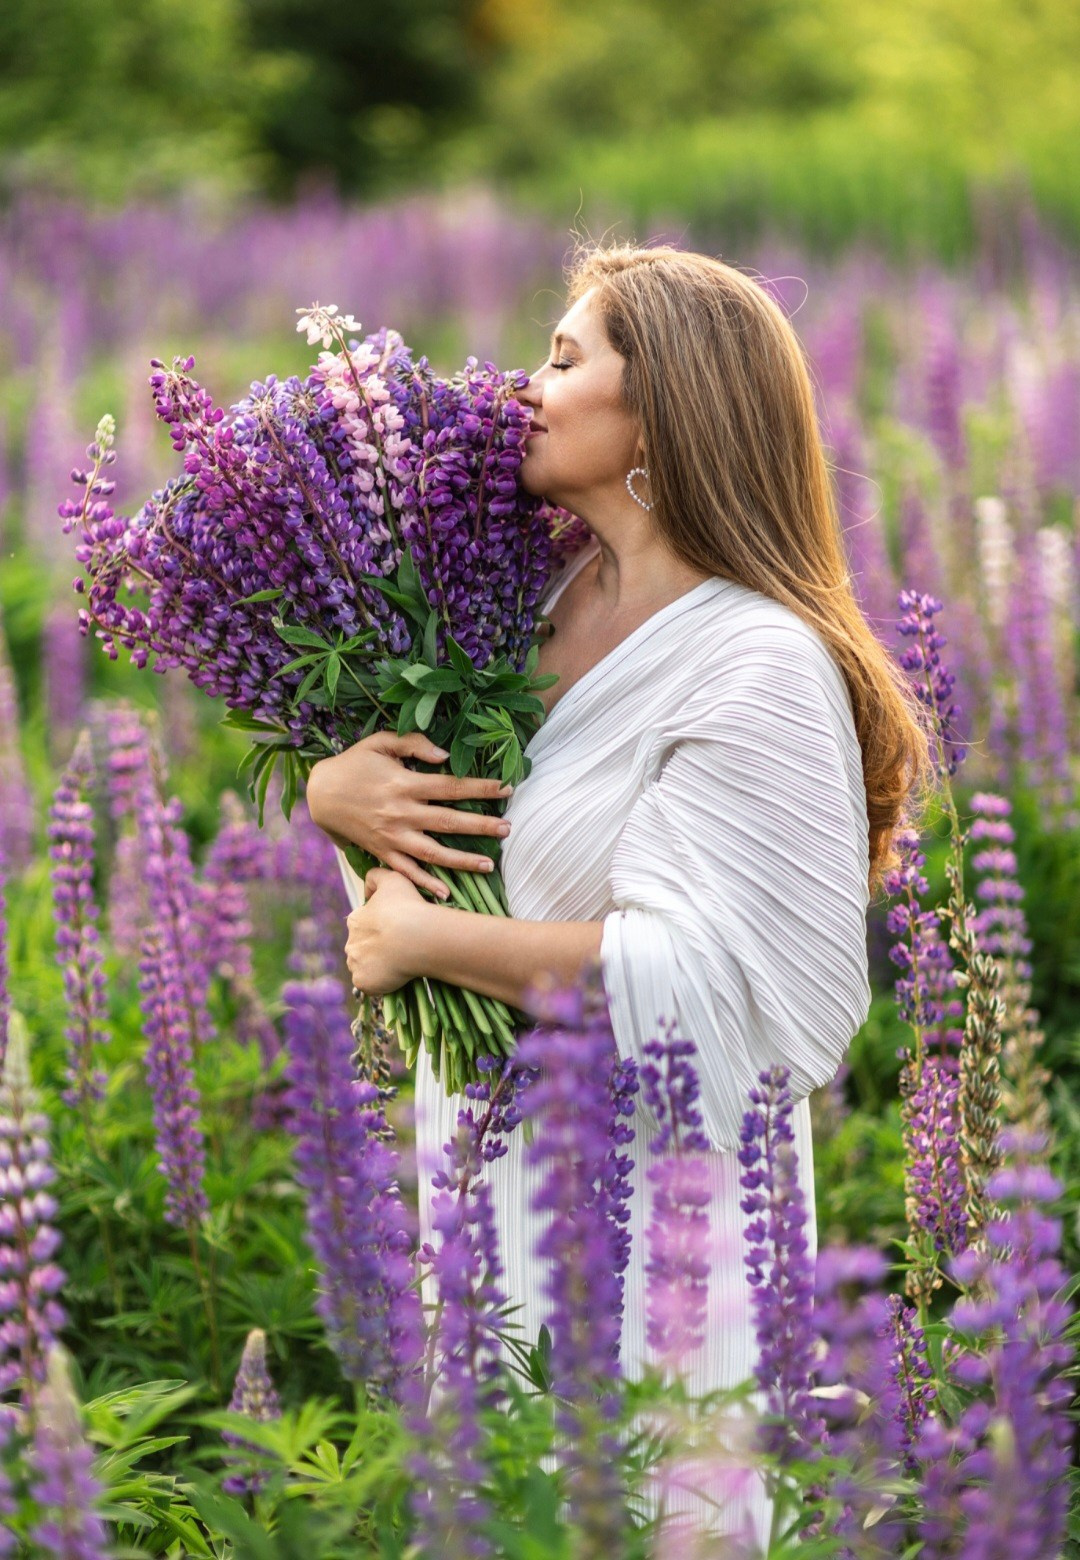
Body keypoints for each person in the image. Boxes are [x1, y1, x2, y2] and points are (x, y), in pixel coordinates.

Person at [306, 241, 933, 1546]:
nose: (518, 385)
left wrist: (427, 938)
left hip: (669, 1234)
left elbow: (699, 982)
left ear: (662, 410)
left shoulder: (757, 663)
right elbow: (451, 827)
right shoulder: (521, 600)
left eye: (563, 356)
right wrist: (336, 795)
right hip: (487, 1184)